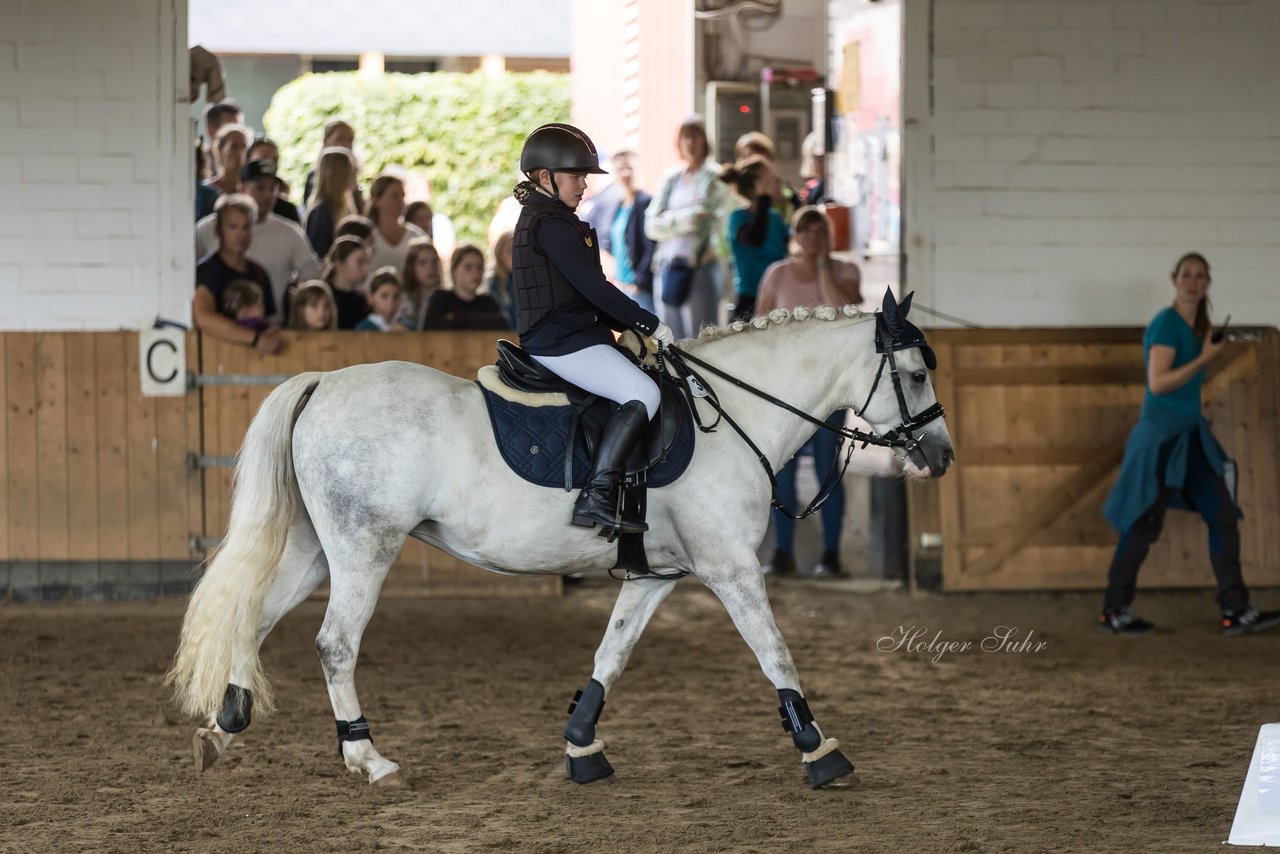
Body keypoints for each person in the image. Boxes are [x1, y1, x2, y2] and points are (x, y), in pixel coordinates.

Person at [1099, 253, 1280, 636]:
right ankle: (1115, 610)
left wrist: (1198, 404)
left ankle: (1236, 610)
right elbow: (1159, 383)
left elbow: (1182, 384)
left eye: (1200, 276)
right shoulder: (1167, 323)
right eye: (1187, 275)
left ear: (1208, 282)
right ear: (1174, 280)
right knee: (1144, 523)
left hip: (1190, 435)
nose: (1193, 282)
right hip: (1162, 439)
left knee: (1224, 515)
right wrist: (1207, 359)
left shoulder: (1199, 326)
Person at [510, 123, 674, 534]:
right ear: (546, 177)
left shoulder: (554, 218)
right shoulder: (549, 224)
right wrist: (649, 323)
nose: (584, 184)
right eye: (577, 175)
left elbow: (587, 294)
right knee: (643, 392)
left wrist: (631, 325)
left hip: (572, 333)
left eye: (585, 176)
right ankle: (597, 495)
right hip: (560, 341)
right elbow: (595, 288)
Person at [755, 207, 863, 578]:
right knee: (781, 471)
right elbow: (760, 326)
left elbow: (843, 309)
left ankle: (831, 554)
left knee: (826, 467)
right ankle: (783, 553)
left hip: (829, 389)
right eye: (806, 233)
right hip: (786, 389)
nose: (812, 240)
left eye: (820, 233)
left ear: (827, 237)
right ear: (796, 236)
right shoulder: (778, 273)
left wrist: (821, 270)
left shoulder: (845, 270)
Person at [195, 159, 322, 323]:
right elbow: (184, 272)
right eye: (260, 187)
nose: (268, 194)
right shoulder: (207, 230)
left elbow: (314, 279)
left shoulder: (289, 235)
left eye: (272, 188)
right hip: (216, 336)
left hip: (270, 330)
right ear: (241, 187)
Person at [645, 116, 729, 340]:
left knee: (701, 336)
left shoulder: (714, 176)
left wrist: (669, 219)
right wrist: (686, 218)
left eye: (695, 136)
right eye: (685, 136)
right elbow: (651, 224)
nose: (690, 142)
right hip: (668, 265)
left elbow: (707, 219)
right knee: (668, 335)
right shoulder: (672, 178)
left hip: (700, 265)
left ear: (704, 141)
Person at [193, 194, 281, 353]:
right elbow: (203, 317)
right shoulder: (208, 270)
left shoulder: (259, 272)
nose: (240, 234)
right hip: (215, 358)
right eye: (233, 226)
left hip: (257, 363)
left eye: (246, 227)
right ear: (218, 230)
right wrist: (255, 338)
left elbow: (269, 321)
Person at [583, 150, 657, 314]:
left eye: (629, 168)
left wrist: (640, 282)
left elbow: (651, 246)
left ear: (638, 169)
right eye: (620, 169)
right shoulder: (619, 205)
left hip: (640, 287)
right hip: (622, 285)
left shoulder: (645, 202)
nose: (625, 174)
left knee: (650, 337)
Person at [720, 155, 789, 321]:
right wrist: (763, 197)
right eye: (770, 179)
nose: (778, 182)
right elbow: (757, 238)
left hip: (777, 296)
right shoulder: (738, 218)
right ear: (754, 187)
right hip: (750, 300)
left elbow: (791, 248)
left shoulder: (775, 218)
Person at [422, 244, 509, 330]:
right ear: (454, 271)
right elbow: (431, 329)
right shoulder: (440, 298)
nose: (475, 273)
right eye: (468, 267)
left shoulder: (489, 302)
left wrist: (458, 318)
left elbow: (503, 325)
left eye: (479, 267)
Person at [366, 173, 428, 275]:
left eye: (402, 196)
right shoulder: (367, 235)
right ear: (376, 201)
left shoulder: (416, 235)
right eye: (394, 196)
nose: (401, 201)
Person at [305, 147, 358, 259]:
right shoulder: (322, 212)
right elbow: (319, 254)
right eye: (350, 170)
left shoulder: (345, 207)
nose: (355, 176)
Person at [320, 235, 374, 330]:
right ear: (340, 264)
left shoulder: (363, 301)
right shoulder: (323, 298)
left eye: (367, 263)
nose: (366, 269)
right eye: (360, 262)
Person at [246, 136, 302, 224]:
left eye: (274, 160)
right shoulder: (232, 209)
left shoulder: (287, 211)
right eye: (262, 158)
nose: (269, 163)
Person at [302, 119, 357, 206]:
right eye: (340, 139)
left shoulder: (353, 176)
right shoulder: (315, 176)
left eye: (350, 140)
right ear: (326, 141)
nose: (346, 145)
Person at [397, 238, 442, 331]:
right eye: (423, 263)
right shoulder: (400, 297)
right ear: (411, 266)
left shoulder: (444, 297)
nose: (430, 268)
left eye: (434, 262)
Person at [204, 123, 250, 196]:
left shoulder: (251, 189)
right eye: (234, 146)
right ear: (220, 150)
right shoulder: (208, 189)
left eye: (243, 146)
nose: (240, 152)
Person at [355, 267, 407, 332]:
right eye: (384, 296)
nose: (391, 302)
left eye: (396, 296)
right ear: (370, 298)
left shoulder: (408, 326)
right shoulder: (363, 328)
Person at [487, 231, 517, 329]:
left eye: (518, 250)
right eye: (510, 251)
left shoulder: (528, 281)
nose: (516, 255)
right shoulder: (492, 283)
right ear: (500, 254)